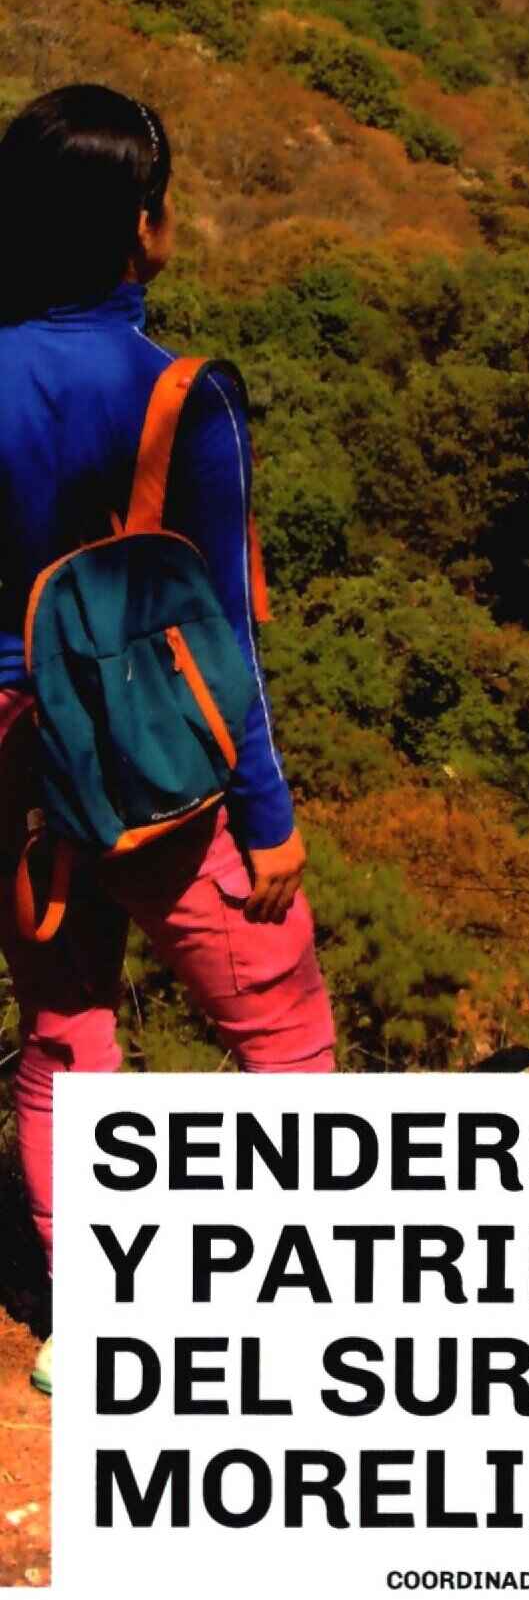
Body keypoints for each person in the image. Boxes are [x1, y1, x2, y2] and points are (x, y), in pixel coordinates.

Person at [0, 84, 336, 1393]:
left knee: (67, 1024)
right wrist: (267, 817)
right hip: (159, 766)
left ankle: (89, 1321)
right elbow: (222, 637)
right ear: (147, 227)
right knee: (280, 1033)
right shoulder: (180, 398)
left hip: (16, 764)